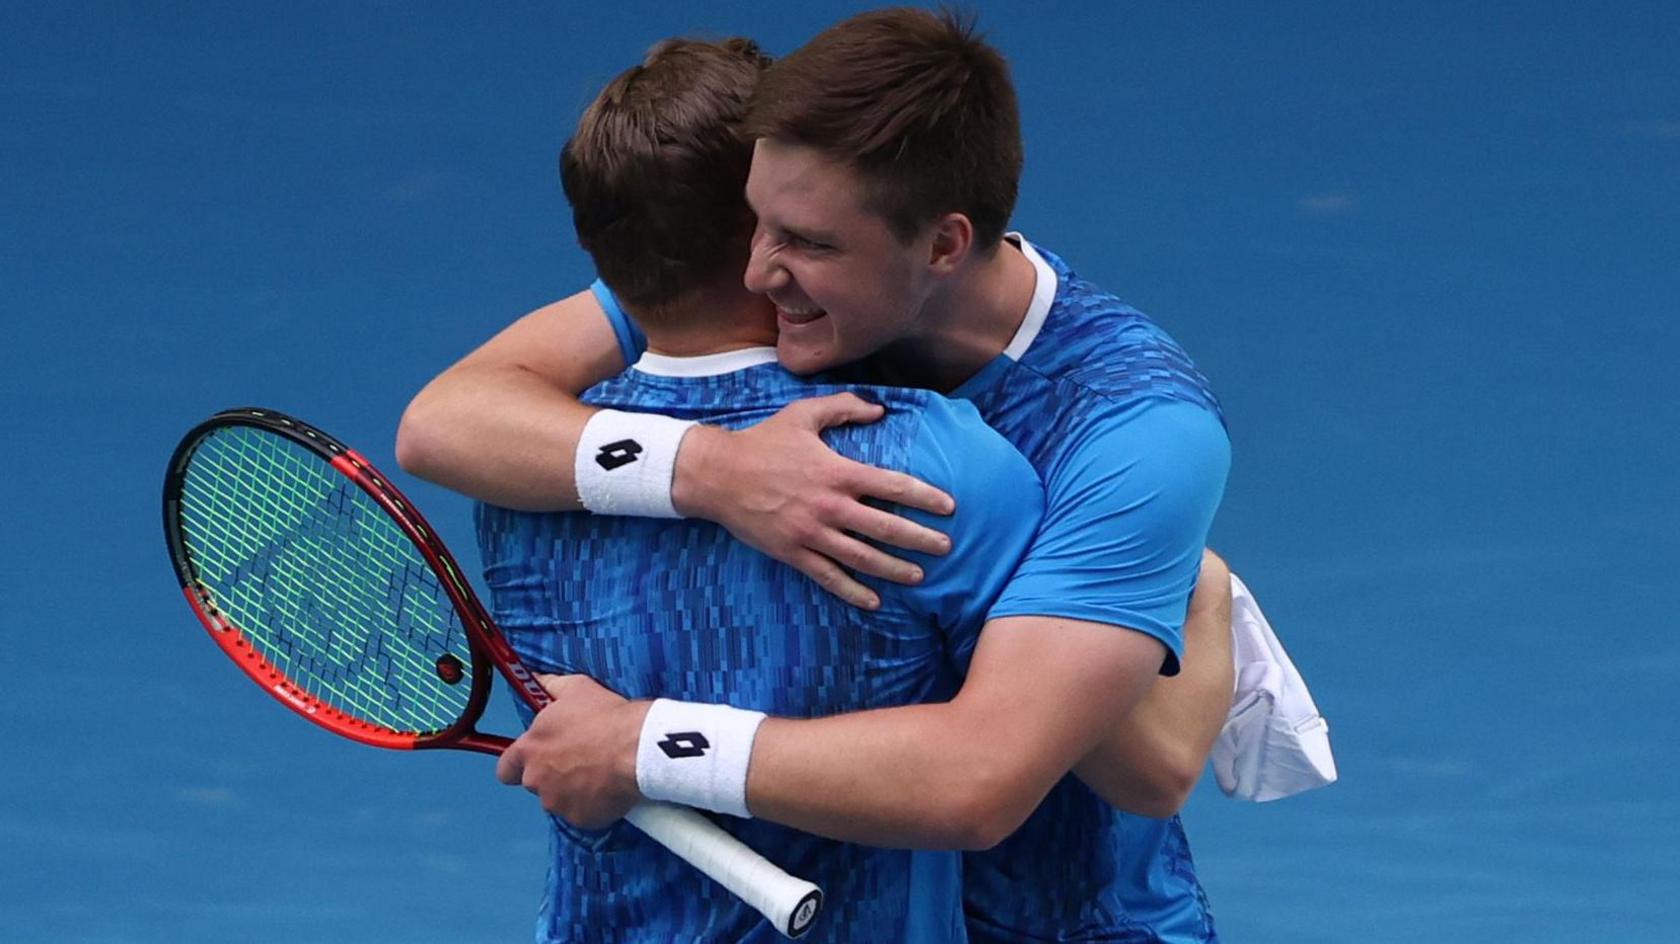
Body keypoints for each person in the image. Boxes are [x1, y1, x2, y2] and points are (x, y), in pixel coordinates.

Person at [403, 9, 1331, 942]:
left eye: (803, 242)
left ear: (940, 246)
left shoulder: (1133, 432)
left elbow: (1119, 769)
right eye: (754, 225)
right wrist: (714, 470)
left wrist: (642, 744)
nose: (758, 272)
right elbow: (446, 421)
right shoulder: (787, 273)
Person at [476, 36, 1045, 942]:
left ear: (595, 244)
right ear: (763, 226)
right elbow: (1042, 752)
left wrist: (645, 746)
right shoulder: (935, 460)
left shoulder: (510, 475)